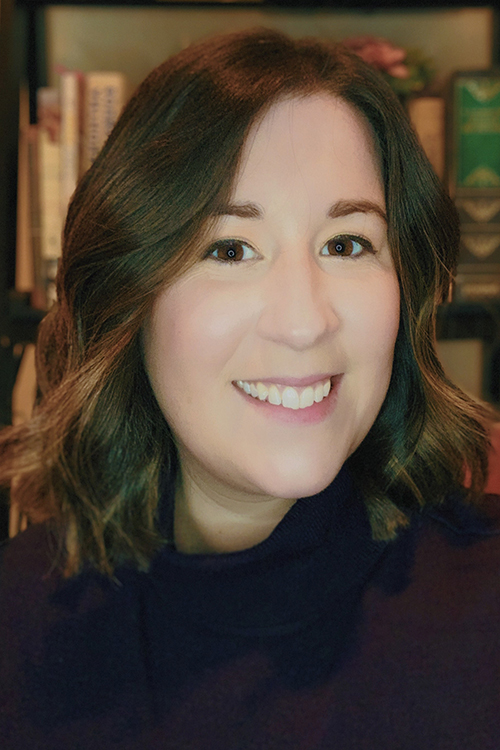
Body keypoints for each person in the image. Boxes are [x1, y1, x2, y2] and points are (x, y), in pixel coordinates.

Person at [0, 28, 499, 750]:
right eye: (229, 250)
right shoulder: (20, 617)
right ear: (128, 297)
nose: (303, 322)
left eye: (347, 243)